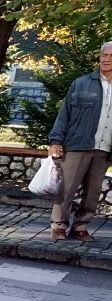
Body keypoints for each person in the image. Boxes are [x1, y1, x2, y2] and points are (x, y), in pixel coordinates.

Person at [48, 41, 112, 242]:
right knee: (67, 189)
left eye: (111, 56)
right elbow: (64, 114)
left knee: (92, 193)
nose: (106, 59)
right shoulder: (82, 83)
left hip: (104, 149)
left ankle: (81, 226)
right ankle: (59, 226)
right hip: (78, 144)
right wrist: (56, 140)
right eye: (104, 55)